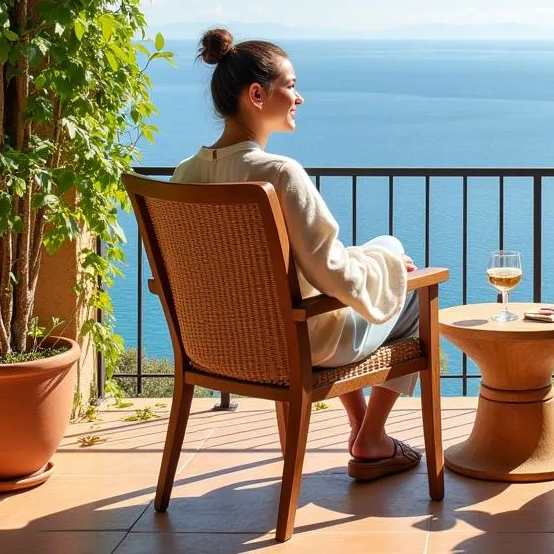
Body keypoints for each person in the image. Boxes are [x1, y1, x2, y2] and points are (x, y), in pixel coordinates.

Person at [171, 28, 422, 482]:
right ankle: (372, 438)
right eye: (290, 85)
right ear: (256, 94)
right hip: (302, 347)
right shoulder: (279, 175)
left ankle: (361, 430)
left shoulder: (185, 175)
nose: (299, 97)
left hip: (217, 346)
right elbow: (331, 272)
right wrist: (391, 269)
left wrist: (374, 260)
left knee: (381, 253)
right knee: (412, 286)